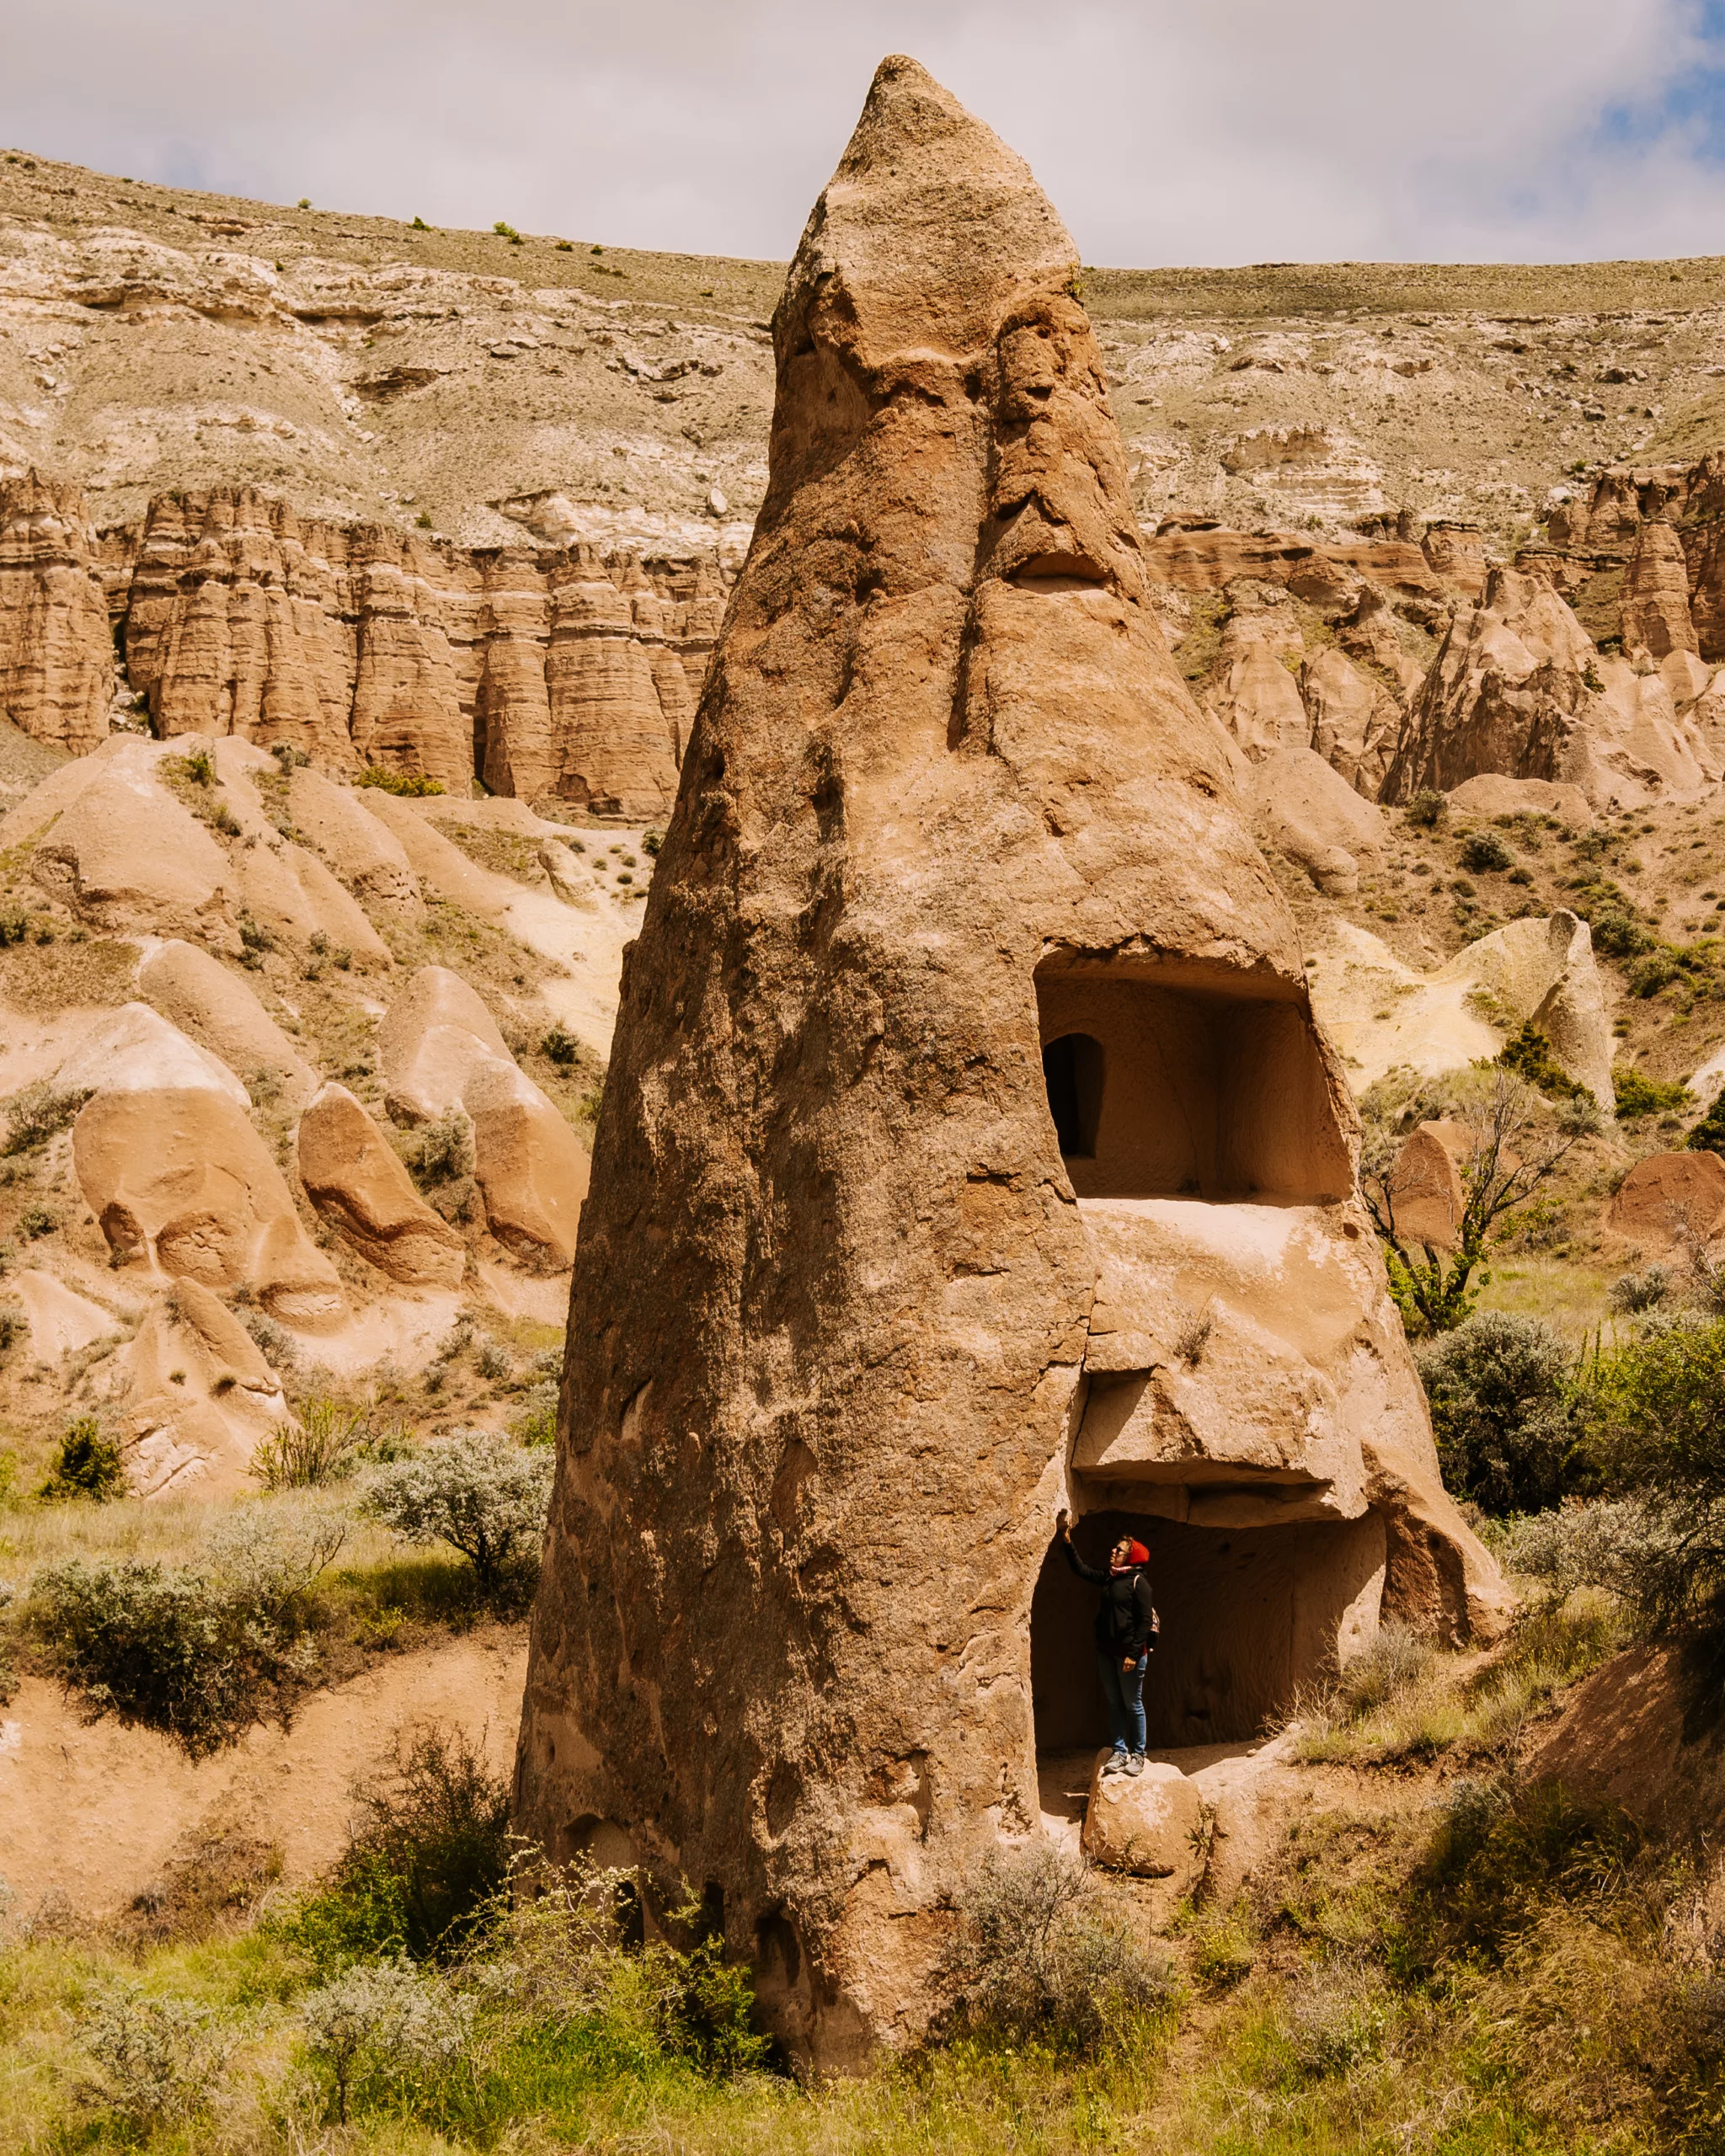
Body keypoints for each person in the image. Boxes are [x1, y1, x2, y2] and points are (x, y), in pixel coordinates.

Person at [1058, 1509, 1156, 1777]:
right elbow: (1081, 1569)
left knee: (1132, 1703)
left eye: (1120, 1550)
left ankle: (1138, 1755)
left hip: (1129, 1655)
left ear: (1131, 1557)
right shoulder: (1111, 1577)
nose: (1114, 1551)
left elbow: (1145, 1622)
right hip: (1107, 1651)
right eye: (1116, 1548)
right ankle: (1119, 1752)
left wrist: (1134, 1654)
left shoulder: (1138, 1583)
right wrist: (1067, 1541)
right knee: (1114, 1703)